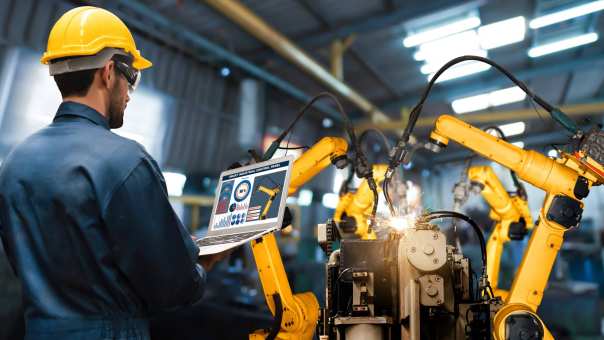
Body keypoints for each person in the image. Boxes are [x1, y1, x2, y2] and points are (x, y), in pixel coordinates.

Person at [0, 6, 227, 340]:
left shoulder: (15, 163)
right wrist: (203, 264)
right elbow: (174, 288)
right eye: (131, 76)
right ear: (108, 72)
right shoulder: (125, 161)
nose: (130, 92)